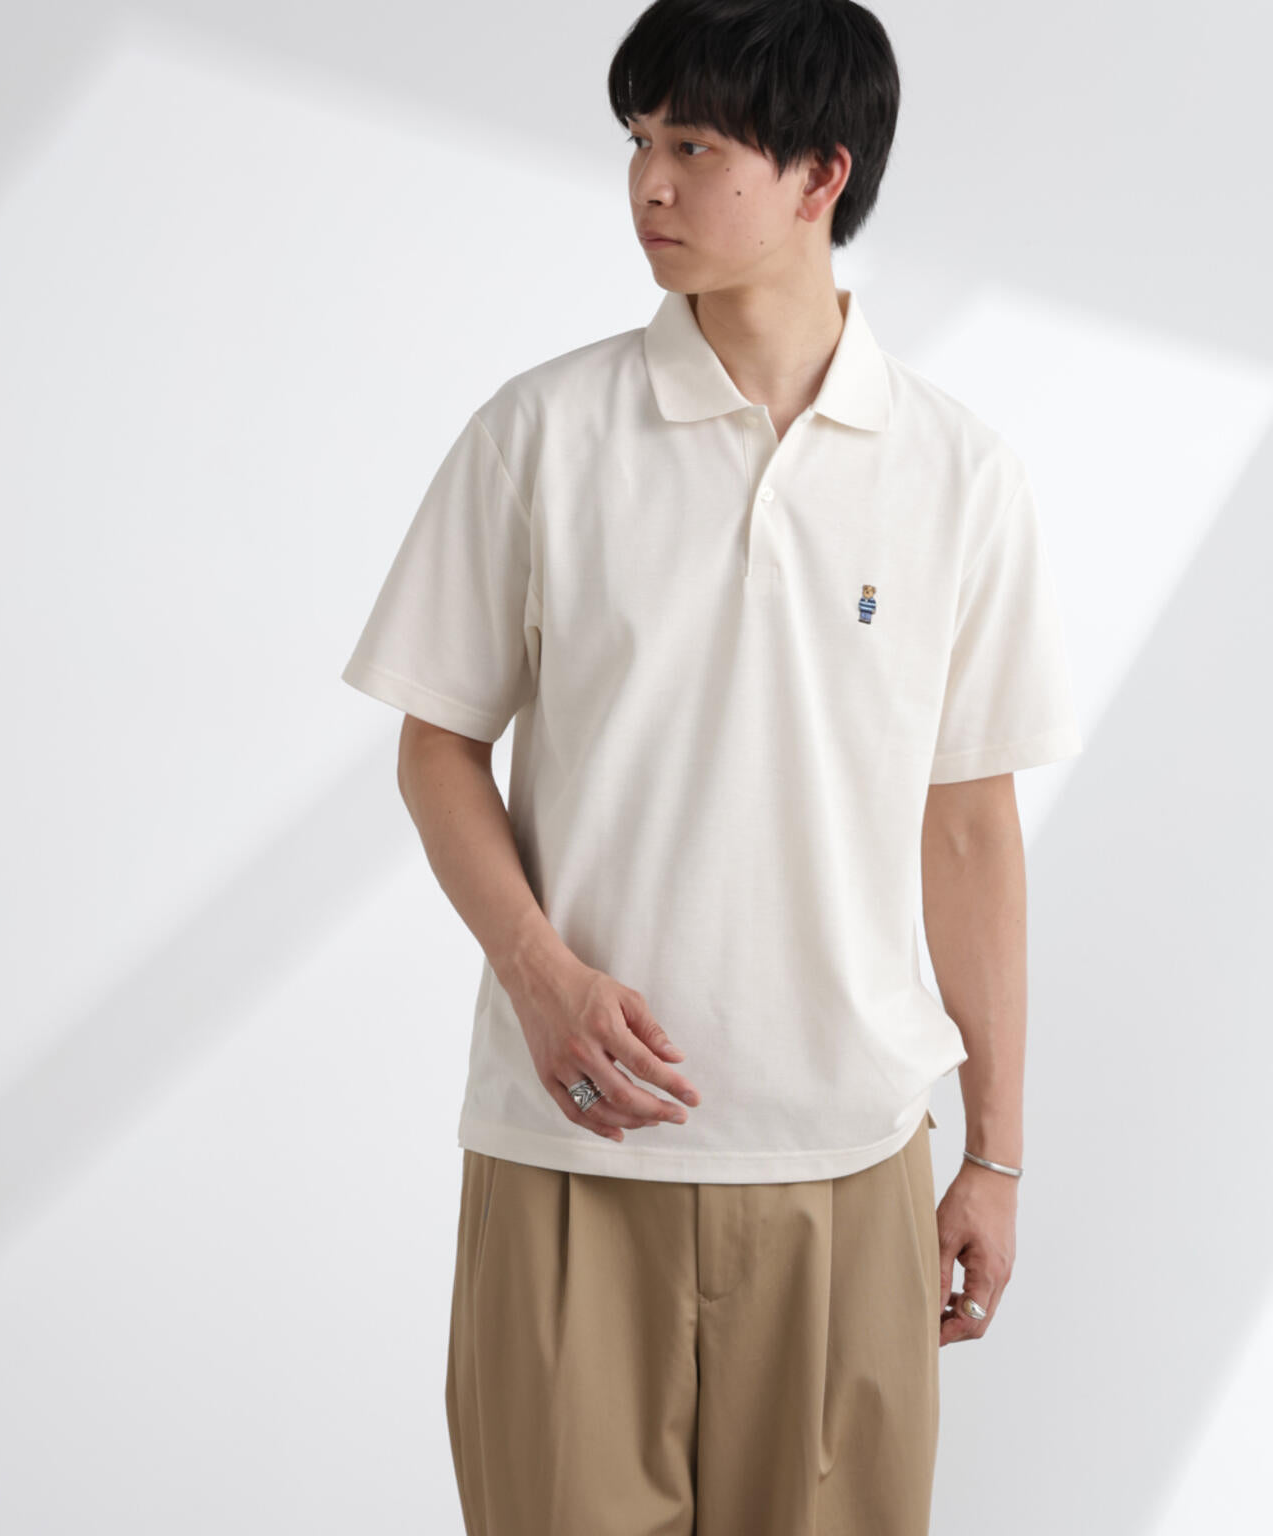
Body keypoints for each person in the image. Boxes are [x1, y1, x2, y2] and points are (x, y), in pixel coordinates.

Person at [340, 1, 1083, 1531]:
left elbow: (969, 831)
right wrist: (541, 974)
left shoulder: (957, 474)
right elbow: (437, 742)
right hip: (570, 1154)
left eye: (692, 145)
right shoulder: (541, 435)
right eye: (637, 143)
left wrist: (997, 1157)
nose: (649, 186)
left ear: (822, 173)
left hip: (848, 1165)